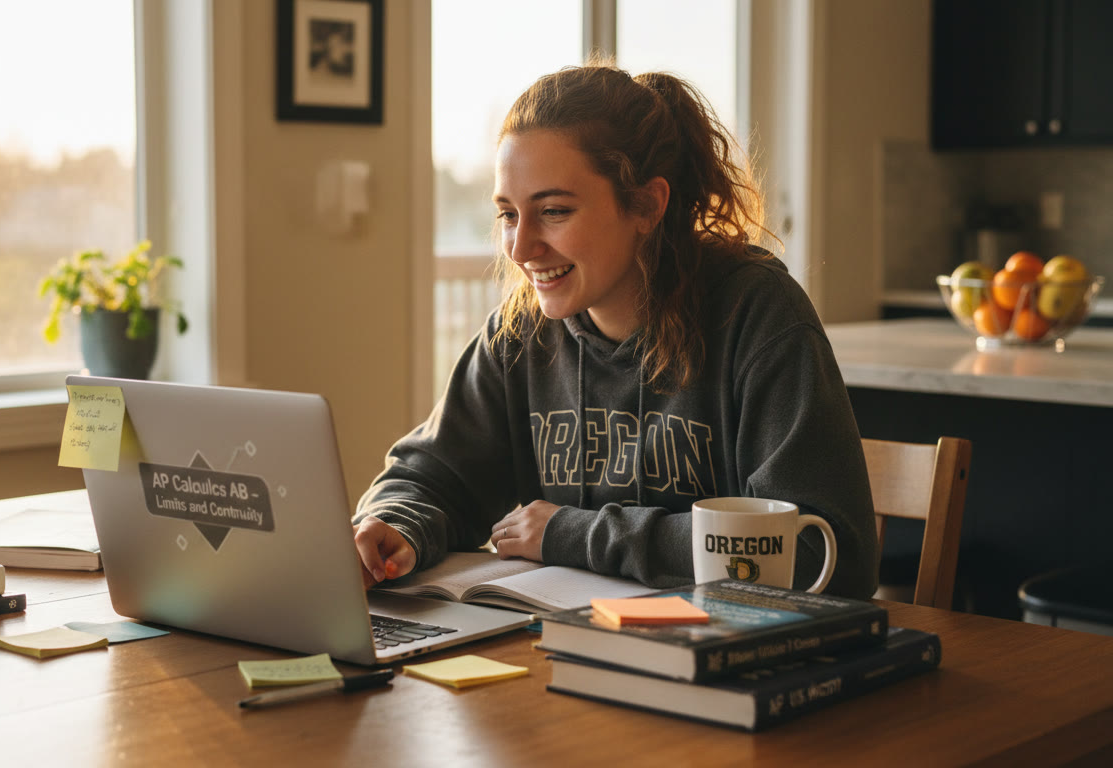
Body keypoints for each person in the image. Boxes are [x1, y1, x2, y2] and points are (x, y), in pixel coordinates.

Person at [352, 64, 878, 600]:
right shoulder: (520, 334)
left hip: (724, 659)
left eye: (554, 211)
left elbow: (823, 555)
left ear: (647, 204)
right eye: (509, 214)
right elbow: (432, 477)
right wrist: (395, 524)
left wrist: (572, 533)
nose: (520, 248)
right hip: (561, 653)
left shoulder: (756, 313)